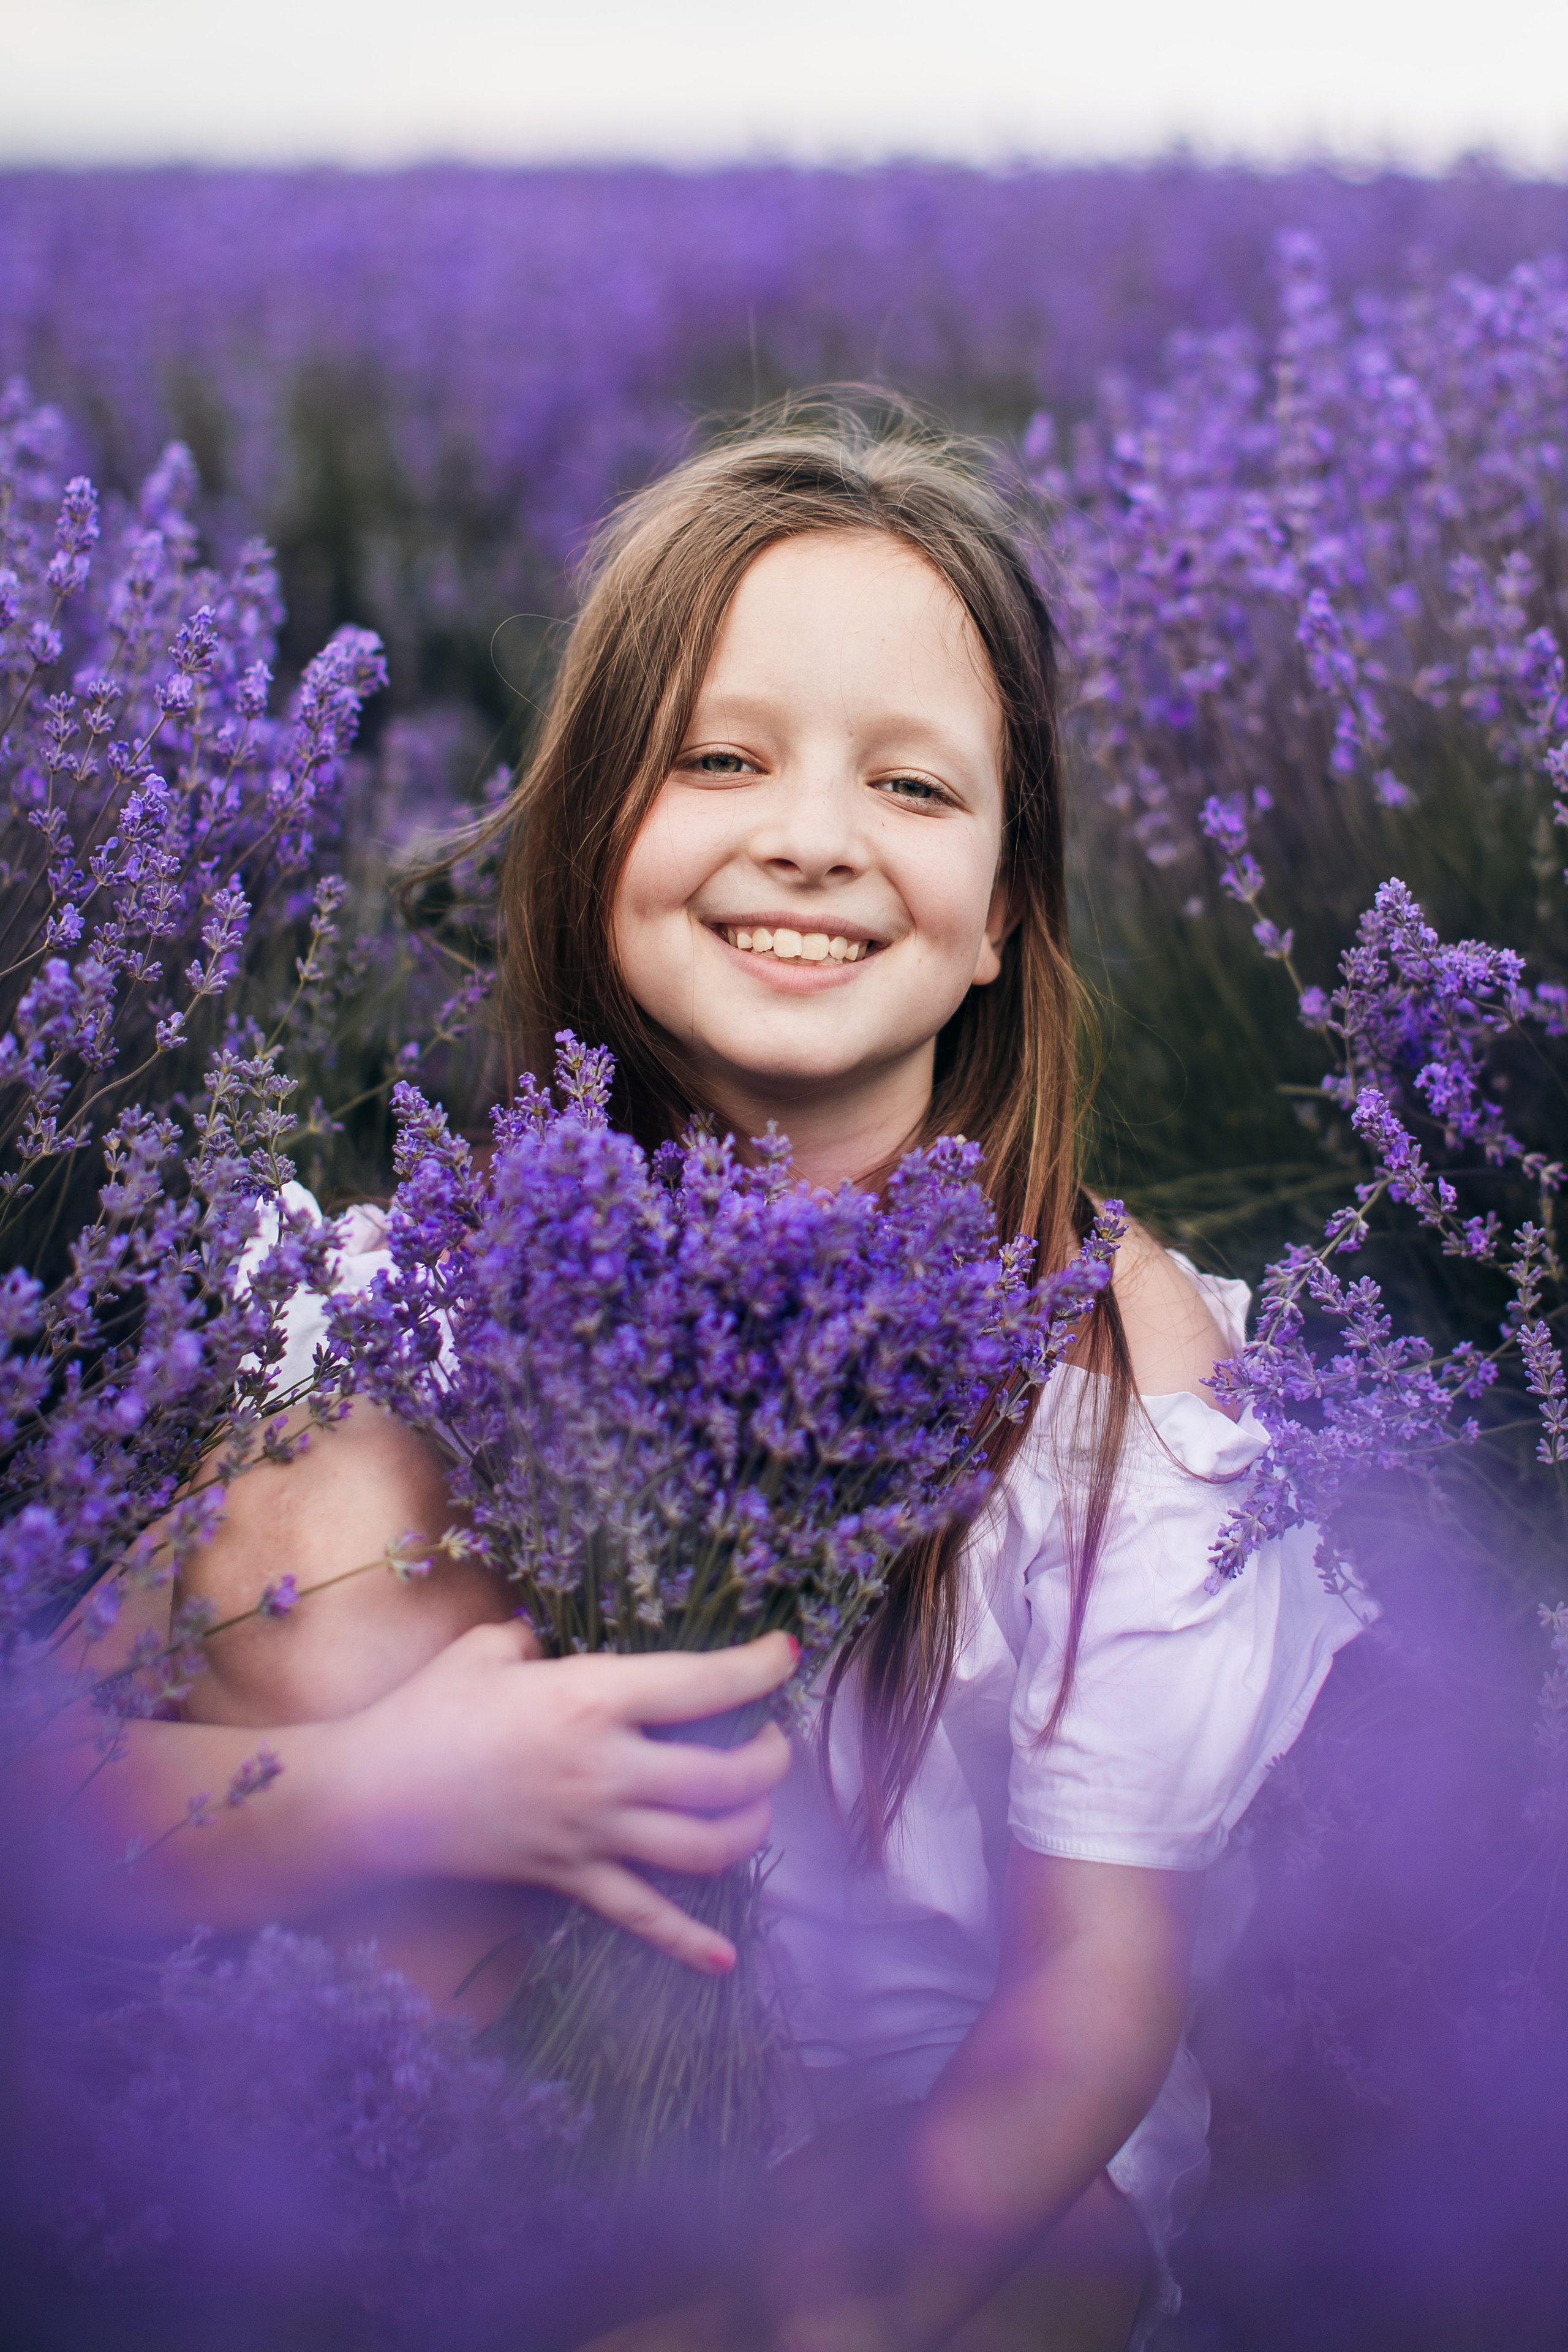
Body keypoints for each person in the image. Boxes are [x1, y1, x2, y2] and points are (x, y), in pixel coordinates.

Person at [34, 399, 1371, 2350]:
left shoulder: (1108, 1366)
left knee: (1061, 2243)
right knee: (340, 1513)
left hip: (917, 2203)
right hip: (489, 2133)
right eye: (721, 758)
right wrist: (385, 1792)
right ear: (592, 839)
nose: (813, 837)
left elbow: (1091, 2005)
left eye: (913, 787)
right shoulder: (399, 1315)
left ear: (1004, 911)